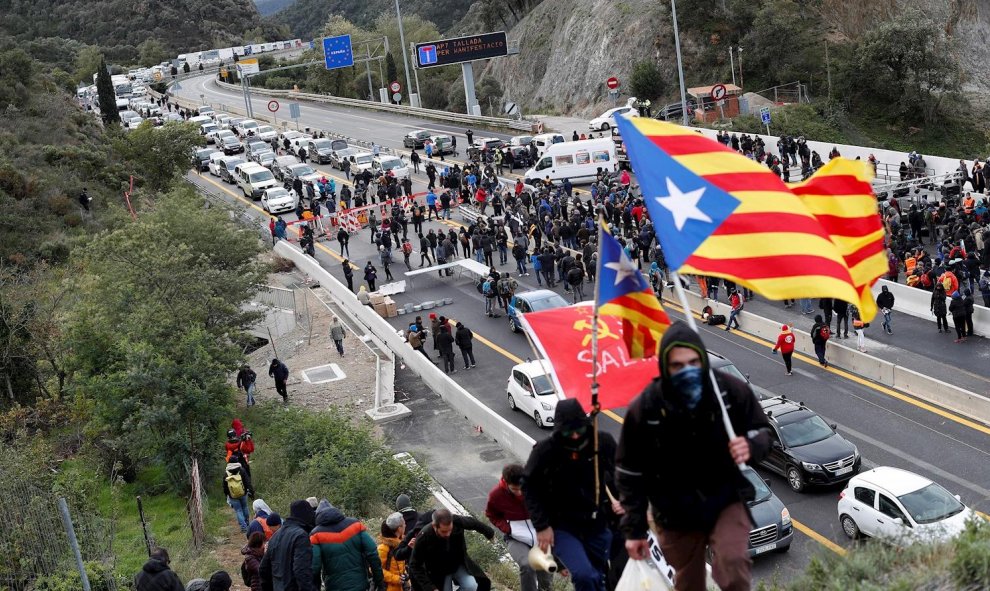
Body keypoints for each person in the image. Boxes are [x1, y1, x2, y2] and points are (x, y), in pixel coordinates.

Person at [616, 322, 771, 591]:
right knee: (689, 582)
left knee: (734, 564)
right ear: (665, 367)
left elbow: (763, 430)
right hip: (673, 512)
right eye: (677, 366)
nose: (687, 371)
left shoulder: (728, 392)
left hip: (725, 498)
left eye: (693, 362)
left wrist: (751, 444)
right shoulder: (647, 408)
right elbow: (630, 472)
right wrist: (634, 530)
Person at [524, 399, 616, 591]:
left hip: (596, 522)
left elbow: (622, 474)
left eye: (579, 431)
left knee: (598, 576)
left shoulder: (602, 442)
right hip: (562, 526)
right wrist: (542, 526)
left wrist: (623, 501)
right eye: (567, 432)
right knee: (584, 574)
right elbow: (529, 487)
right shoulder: (545, 451)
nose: (574, 436)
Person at [485, 464, 552, 591]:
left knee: (545, 575)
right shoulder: (496, 494)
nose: (519, 492)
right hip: (516, 537)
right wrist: (508, 528)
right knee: (527, 565)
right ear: (506, 483)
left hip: (539, 533)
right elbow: (491, 514)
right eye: (514, 489)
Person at [408, 508, 495, 591]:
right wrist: (431, 588)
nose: (448, 534)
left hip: (457, 563)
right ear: (435, 526)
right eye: (444, 532)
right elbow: (414, 565)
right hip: (439, 571)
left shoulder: (457, 521)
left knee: (471, 586)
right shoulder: (424, 536)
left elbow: (473, 523)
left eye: (450, 530)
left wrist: (489, 533)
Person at [310, 499, 385, 591]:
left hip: (334, 586)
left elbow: (314, 567)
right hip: (359, 583)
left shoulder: (316, 535)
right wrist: (379, 580)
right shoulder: (355, 525)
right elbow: (372, 553)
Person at [260, 500, 317, 591]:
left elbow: (263, 569)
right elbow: (301, 571)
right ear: (307, 515)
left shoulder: (275, 536)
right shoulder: (301, 536)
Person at [224, 452, 254, 533]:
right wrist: (249, 490)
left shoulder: (226, 473)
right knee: (245, 507)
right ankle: (247, 523)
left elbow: (225, 485)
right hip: (243, 493)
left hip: (233, 495)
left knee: (238, 510)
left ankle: (243, 527)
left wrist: (227, 495)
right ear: (237, 461)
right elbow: (247, 481)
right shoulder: (241, 470)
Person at [378, 513, 408, 591]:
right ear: (399, 528)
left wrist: (404, 574)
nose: (406, 526)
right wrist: (395, 579)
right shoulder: (384, 548)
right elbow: (376, 569)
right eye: (404, 524)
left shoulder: (400, 544)